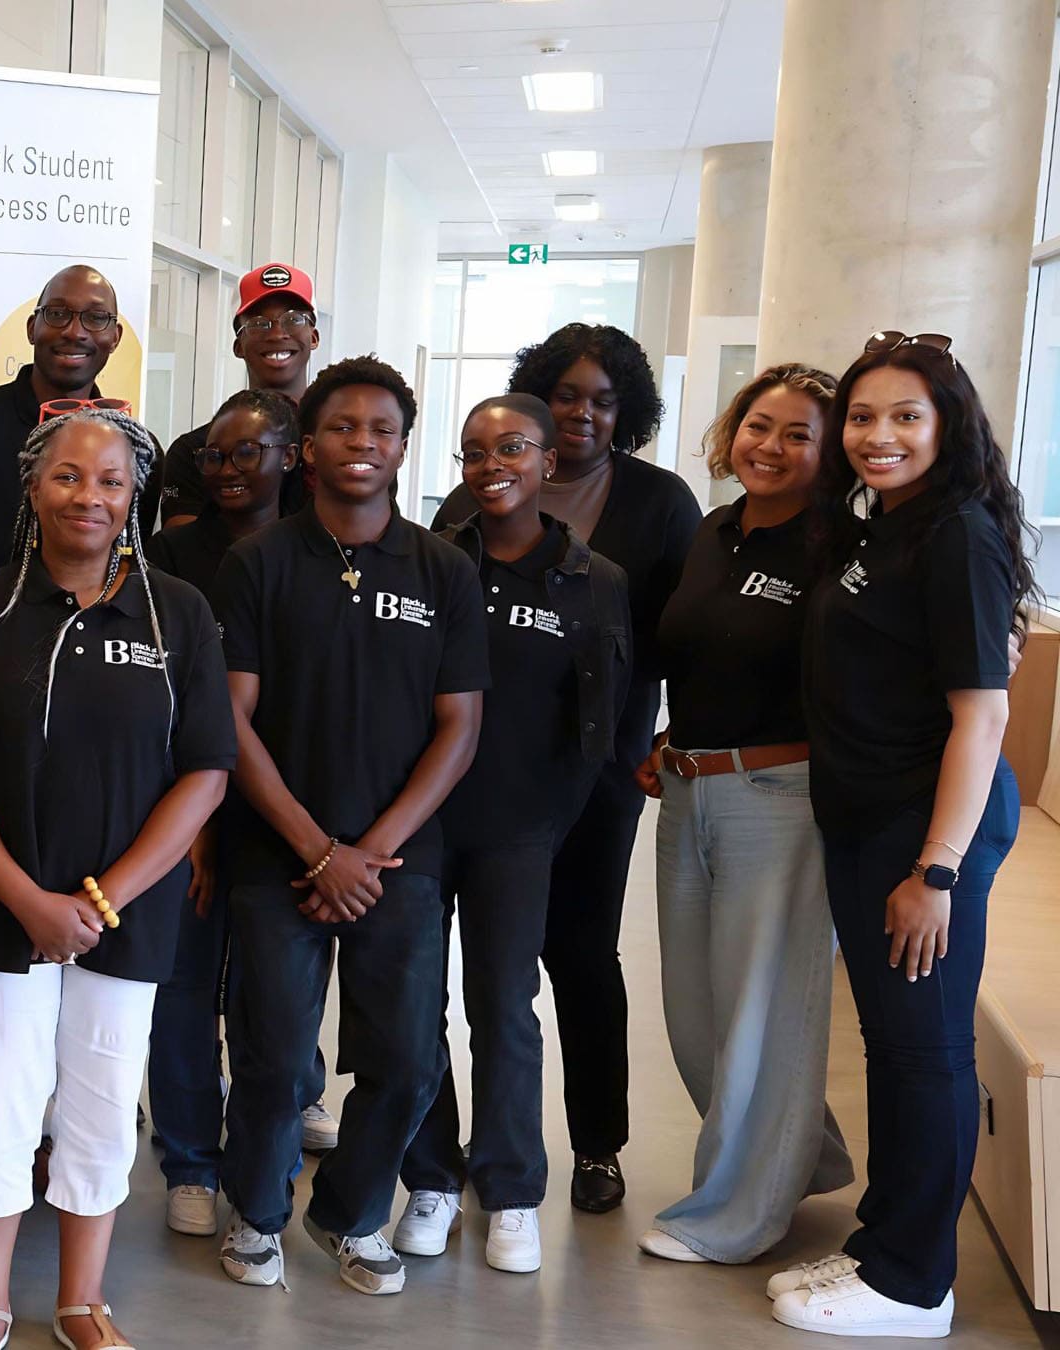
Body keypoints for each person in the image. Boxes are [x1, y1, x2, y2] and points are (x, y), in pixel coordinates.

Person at [0, 407, 235, 1350]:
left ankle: (83, 1301)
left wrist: (101, 903)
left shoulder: (178, 611)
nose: (88, 495)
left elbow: (205, 773)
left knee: (98, 1099)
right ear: (32, 485)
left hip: (125, 917)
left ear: (134, 497)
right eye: (67, 476)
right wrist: (27, 901)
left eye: (109, 481)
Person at [771, 332, 1031, 1339]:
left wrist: (937, 868)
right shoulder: (880, 525)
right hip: (870, 820)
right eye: (865, 417)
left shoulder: (955, 531)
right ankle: (885, 1239)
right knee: (889, 1043)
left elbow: (985, 716)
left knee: (926, 1050)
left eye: (906, 417)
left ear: (948, 426)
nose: (880, 436)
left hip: (929, 830)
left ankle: (917, 1284)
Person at [212, 356, 489, 1297]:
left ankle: (353, 1215)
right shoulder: (257, 564)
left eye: (381, 429)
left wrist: (369, 852)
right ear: (307, 446)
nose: (361, 443)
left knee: (409, 1060)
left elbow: (461, 726)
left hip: (400, 862)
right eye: (342, 427)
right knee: (278, 1056)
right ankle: (253, 1215)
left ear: (405, 447)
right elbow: (232, 721)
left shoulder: (444, 568)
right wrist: (315, 849)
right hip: (277, 853)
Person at [432, 322, 700, 1213]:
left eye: (603, 399)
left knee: (580, 953)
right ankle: (453, 1155)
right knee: (472, 972)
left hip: (601, 772)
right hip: (479, 775)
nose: (584, 413)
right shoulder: (468, 505)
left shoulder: (660, 504)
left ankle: (597, 1145)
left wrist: (641, 756)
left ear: (627, 411)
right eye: (569, 395)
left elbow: (677, 642)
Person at [391, 393, 631, 1276]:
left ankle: (512, 1190)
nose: (493, 465)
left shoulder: (592, 579)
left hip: (521, 828)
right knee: (416, 1007)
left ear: (547, 460)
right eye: (474, 451)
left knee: (504, 1009)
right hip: (420, 822)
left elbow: (602, 722)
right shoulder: (429, 565)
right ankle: (431, 1178)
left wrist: (551, 821)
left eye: (513, 448)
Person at [632, 365, 857, 1270]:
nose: (770, 447)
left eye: (799, 434)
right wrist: (676, 734)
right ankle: (803, 1155)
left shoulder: (838, 545)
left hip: (783, 800)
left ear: (830, 450)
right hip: (688, 788)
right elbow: (709, 655)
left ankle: (730, 1214)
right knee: (695, 1014)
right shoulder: (716, 532)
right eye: (759, 426)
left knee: (762, 1014)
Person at [142, 388, 299, 1239]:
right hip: (185, 805)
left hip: (283, 808)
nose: (231, 469)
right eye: (215, 456)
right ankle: (190, 1162)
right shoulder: (167, 556)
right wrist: (195, 824)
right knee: (185, 989)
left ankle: (263, 1152)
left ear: (290, 456)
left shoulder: (309, 552)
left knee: (272, 996)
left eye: (250, 453)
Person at [0, 265, 126, 566]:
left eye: (95, 318)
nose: (74, 331)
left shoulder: (133, 450)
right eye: (57, 313)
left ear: (115, 337)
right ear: (32, 328)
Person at [158, 263, 321, 531]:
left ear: (313, 337)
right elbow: (181, 557)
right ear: (238, 345)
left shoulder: (335, 445)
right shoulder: (194, 452)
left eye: (293, 319)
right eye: (259, 324)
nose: (278, 333)